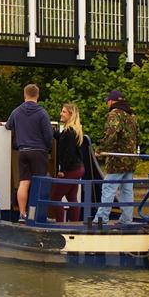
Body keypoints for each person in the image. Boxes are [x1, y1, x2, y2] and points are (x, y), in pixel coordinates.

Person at [5, 84, 53, 224]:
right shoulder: (42, 113)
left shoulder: (16, 112)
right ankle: (38, 216)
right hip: (38, 152)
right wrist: (48, 148)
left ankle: (22, 214)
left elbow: (8, 126)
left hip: (23, 152)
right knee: (40, 183)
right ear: (37, 96)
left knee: (24, 183)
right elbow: (48, 134)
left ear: (24, 95)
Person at [93, 90, 140, 225]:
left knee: (109, 188)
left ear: (112, 101)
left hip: (117, 159)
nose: (107, 103)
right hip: (131, 159)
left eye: (108, 101)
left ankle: (101, 218)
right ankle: (126, 219)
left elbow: (111, 134)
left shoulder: (115, 114)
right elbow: (138, 137)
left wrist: (101, 149)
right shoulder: (132, 115)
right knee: (127, 190)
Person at [50, 103, 85, 222]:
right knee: (72, 197)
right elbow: (60, 137)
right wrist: (51, 132)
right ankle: (74, 223)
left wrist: (62, 170)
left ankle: (60, 223)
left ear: (71, 115)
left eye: (64, 111)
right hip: (78, 168)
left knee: (55, 197)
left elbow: (68, 153)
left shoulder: (69, 132)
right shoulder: (74, 130)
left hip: (71, 169)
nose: (61, 113)